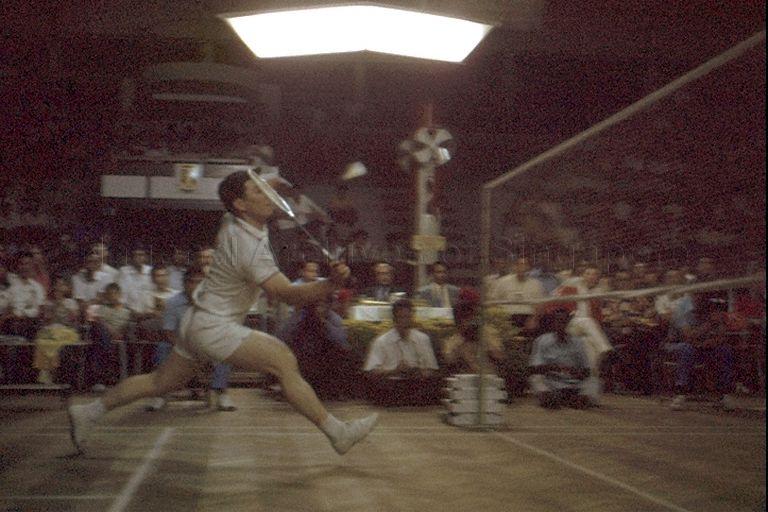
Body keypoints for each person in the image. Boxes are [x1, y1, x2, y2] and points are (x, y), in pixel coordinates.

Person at [68, 170, 378, 455]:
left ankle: (88, 412)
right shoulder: (250, 249)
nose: (266, 195)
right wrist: (331, 283)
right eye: (257, 192)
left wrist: (273, 183)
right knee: (283, 360)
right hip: (214, 327)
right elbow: (288, 294)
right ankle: (337, 433)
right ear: (241, 204)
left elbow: (253, 189)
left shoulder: (230, 221)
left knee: (159, 382)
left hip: (195, 321)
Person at [146, 265, 237, 412]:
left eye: (199, 282)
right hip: (179, 344)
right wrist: (185, 348)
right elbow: (169, 333)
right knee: (162, 348)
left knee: (225, 347)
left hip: (205, 343)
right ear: (184, 283)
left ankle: (221, 393)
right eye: (191, 281)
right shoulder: (172, 303)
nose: (195, 285)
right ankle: (160, 394)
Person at [363, 299, 440, 404]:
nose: (405, 321)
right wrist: (395, 371)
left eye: (408, 317)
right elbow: (371, 372)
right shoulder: (381, 341)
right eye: (401, 317)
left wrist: (416, 372)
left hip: (417, 385)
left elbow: (432, 370)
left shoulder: (423, 339)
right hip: (391, 387)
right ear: (394, 319)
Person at [528, 307, 593, 409]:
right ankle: (551, 397)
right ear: (552, 323)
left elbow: (587, 371)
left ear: (568, 323)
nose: (561, 325)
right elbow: (533, 369)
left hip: (574, 383)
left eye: (564, 321)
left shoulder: (578, 342)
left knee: (593, 382)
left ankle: (574, 399)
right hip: (551, 382)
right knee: (536, 379)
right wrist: (553, 367)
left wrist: (576, 372)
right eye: (558, 321)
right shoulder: (542, 340)